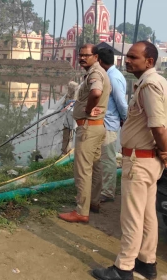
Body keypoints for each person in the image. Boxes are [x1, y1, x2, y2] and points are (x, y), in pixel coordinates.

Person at [92, 41, 167, 280]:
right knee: (147, 216)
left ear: (149, 62)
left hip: (140, 160)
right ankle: (147, 263)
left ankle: (123, 268)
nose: (127, 60)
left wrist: (165, 153)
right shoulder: (156, 82)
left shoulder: (150, 85)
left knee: (132, 217)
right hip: (146, 159)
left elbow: (158, 126)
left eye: (134, 57)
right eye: (128, 56)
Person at [58, 44, 111, 223]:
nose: (82, 58)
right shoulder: (98, 72)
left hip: (88, 128)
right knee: (96, 166)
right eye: (80, 55)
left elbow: (96, 92)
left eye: (86, 55)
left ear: (96, 57)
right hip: (97, 127)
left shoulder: (95, 73)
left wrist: (88, 109)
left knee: (83, 170)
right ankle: (93, 202)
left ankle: (81, 211)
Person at [92, 48, 128, 206]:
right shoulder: (110, 75)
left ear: (99, 61)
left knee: (108, 159)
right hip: (105, 122)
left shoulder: (113, 77)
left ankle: (107, 192)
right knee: (100, 158)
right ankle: (101, 189)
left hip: (110, 124)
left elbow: (122, 103)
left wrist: (124, 120)